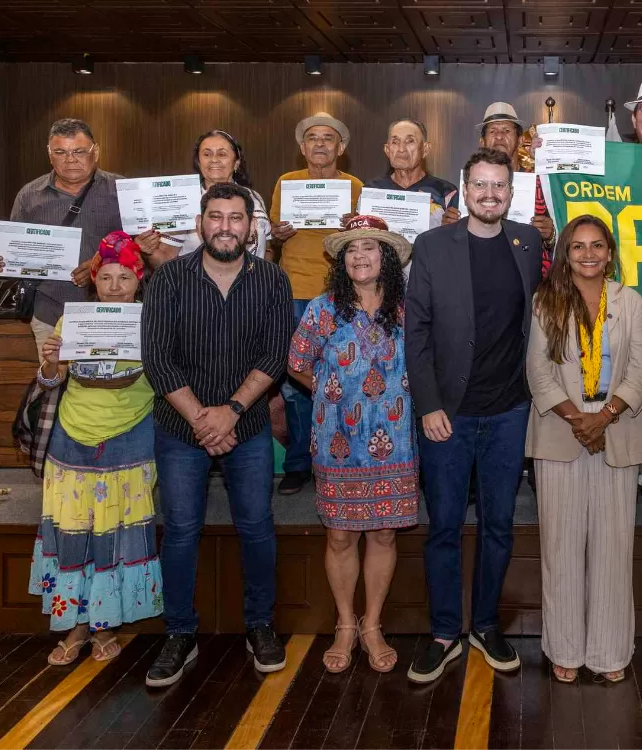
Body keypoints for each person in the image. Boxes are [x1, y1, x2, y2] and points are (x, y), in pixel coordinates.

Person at [141, 182, 295, 687]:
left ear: (252, 228)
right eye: (216, 216)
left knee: (256, 527)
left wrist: (229, 412)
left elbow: (275, 356)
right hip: (180, 428)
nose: (225, 226)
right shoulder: (168, 280)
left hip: (246, 426)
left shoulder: (273, 280)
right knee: (181, 532)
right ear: (199, 223)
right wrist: (202, 420)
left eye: (236, 217)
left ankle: (260, 625)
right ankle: (180, 633)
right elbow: (157, 361)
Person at [404, 148, 543, 684]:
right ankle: (444, 634)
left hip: (509, 412)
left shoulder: (527, 243)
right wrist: (429, 404)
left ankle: (485, 625)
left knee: (499, 525)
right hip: (449, 416)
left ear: (511, 192)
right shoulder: (433, 245)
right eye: (480, 185)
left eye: (499, 186)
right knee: (443, 525)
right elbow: (415, 333)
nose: (490, 194)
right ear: (464, 190)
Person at [287, 215, 417, 675]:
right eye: (352, 249)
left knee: (383, 532)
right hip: (336, 439)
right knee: (340, 535)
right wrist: (330, 391)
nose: (361, 256)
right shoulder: (323, 309)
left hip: (395, 441)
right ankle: (345, 623)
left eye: (371, 247)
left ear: (387, 258)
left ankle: (373, 624)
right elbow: (298, 363)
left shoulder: (408, 308)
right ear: (341, 261)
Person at [525, 215, 642, 684]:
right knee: (561, 548)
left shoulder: (629, 301)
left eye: (598, 246)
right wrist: (580, 419)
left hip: (616, 432)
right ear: (566, 254)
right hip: (560, 434)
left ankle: (609, 652)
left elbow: (641, 369)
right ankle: (565, 649)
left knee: (613, 548)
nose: (589, 254)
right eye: (579, 247)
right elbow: (538, 371)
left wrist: (605, 416)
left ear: (611, 253)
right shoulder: (546, 300)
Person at [29, 232, 161, 666]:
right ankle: (76, 628)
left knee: (118, 534)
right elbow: (52, 382)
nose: (116, 285)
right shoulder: (73, 319)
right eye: (107, 277)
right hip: (73, 439)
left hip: (130, 436)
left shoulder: (152, 319)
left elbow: (167, 379)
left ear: (139, 281)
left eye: (125, 277)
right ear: (94, 281)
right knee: (74, 532)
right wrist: (51, 360)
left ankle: (107, 625)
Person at [271, 112, 364, 496]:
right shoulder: (286, 183)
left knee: (348, 377)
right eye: (312, 138)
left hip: (342, 292)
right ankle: (298, 463)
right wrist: (278, 233)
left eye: (329, 138)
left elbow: (368, 237)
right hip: (294, 290)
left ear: (341, 148)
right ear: (302, 147)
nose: (321, 144)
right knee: (296, 383)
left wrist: (354, 224)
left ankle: (345, 458)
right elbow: (274, 234)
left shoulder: (356, 186)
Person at [0, 118, 122, 360]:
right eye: (60, 152)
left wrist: (102, 261)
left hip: (107, 313)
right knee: (51, 387)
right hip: (49, 313)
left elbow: (142, 249)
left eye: (79, 151)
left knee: (103, 394)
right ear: (49, 154)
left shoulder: (122, 190)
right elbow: (15, 259)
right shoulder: (29, 196)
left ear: (95, 152)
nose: (70, 159)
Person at [139, 129, 272, 266]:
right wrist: (146, 250)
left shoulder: (254, 197)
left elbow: (266, 248)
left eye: (222, 154)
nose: (214, 159)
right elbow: (165, 257)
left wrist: (266, 277)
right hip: (198, 285)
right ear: (199, 162)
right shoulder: (183, 200)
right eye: (207, 154)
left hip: (253, 284)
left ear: (236, 163)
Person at [476, 102, 555, 270]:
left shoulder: (541, 181)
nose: (499, 136)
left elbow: (564, 228)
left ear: (520, 140)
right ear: (482, 142)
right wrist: (452, 226)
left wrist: (551, 235)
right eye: (492, 131)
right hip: (483, 269)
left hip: (531, 276)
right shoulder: (470, 185)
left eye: (506, 131)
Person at [365, 119, 459, 229]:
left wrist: (451, 229)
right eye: (395, 142)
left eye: (410, 141)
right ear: (387, 150)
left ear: (425, 149)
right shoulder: (371, 191)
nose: (401, 149)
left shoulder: (446, 192)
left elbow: (457, 239)